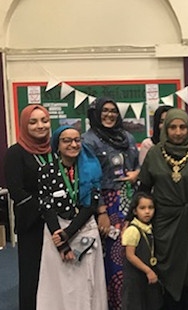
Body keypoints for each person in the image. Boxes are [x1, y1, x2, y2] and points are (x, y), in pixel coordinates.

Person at [138, 108, 188, 309]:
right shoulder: (154, 154)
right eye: (172, 127)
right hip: (163, 223)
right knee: (165, 274)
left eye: (182, 127)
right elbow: (143, 189)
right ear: (165, 129)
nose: (178, 132)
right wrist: (132, 220)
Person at [36, 125, 108, 310]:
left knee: (87, 283)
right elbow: (46, 206)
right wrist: (61, 242)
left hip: (82, 228)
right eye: (67, 140)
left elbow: (90, 205)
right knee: (59, 287)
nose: (73, 144)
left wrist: (69, 233)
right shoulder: (46, 170)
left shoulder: (90, 169)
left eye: (77, 140)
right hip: (56, 231)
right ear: (57, 145)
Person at [83, 97, 140, 310]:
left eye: (113, 111)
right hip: (106, 205)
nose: (109, 115)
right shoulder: (88, 141)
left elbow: (137, 167)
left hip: (131, 203)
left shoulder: (127, 137)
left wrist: (138, 173)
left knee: (132, 254)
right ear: (96, 114)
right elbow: (89, 180)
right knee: (113, 262)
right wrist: (102, 211)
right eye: (104, 111)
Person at [5, 105, 50, 310]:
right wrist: (43, 207)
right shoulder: (16, 153)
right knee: (32, 273)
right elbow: (16, 190)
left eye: (44, 120)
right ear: (24, 125)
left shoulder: (55, 149)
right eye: (33, 122)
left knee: (54, 272)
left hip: (58, 221)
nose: (40, 126)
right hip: (32, 222)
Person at [121, 192, 163, 310]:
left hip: (147, 281)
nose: (147, 211)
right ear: (135, 211)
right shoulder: (133, 230)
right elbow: (130, 255)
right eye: (142, 208)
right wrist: (148, 271)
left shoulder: (150, 228)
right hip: (135, 280)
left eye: (150, 208)